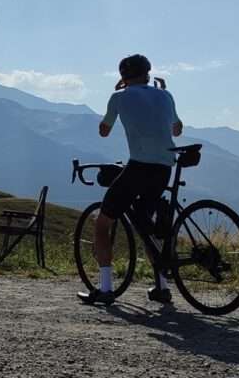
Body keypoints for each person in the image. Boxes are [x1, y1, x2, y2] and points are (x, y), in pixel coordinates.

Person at [77, 54, 183, 306]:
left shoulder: (119, 97)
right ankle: (162, 287)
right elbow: (176, 129)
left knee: (103, 222)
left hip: (138, 167)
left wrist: (118, 99)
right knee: (146, 225)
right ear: (148, 73)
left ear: (123, 76)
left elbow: (104, 131)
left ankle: (104, 289)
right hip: (164, 167)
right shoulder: (165, 95)